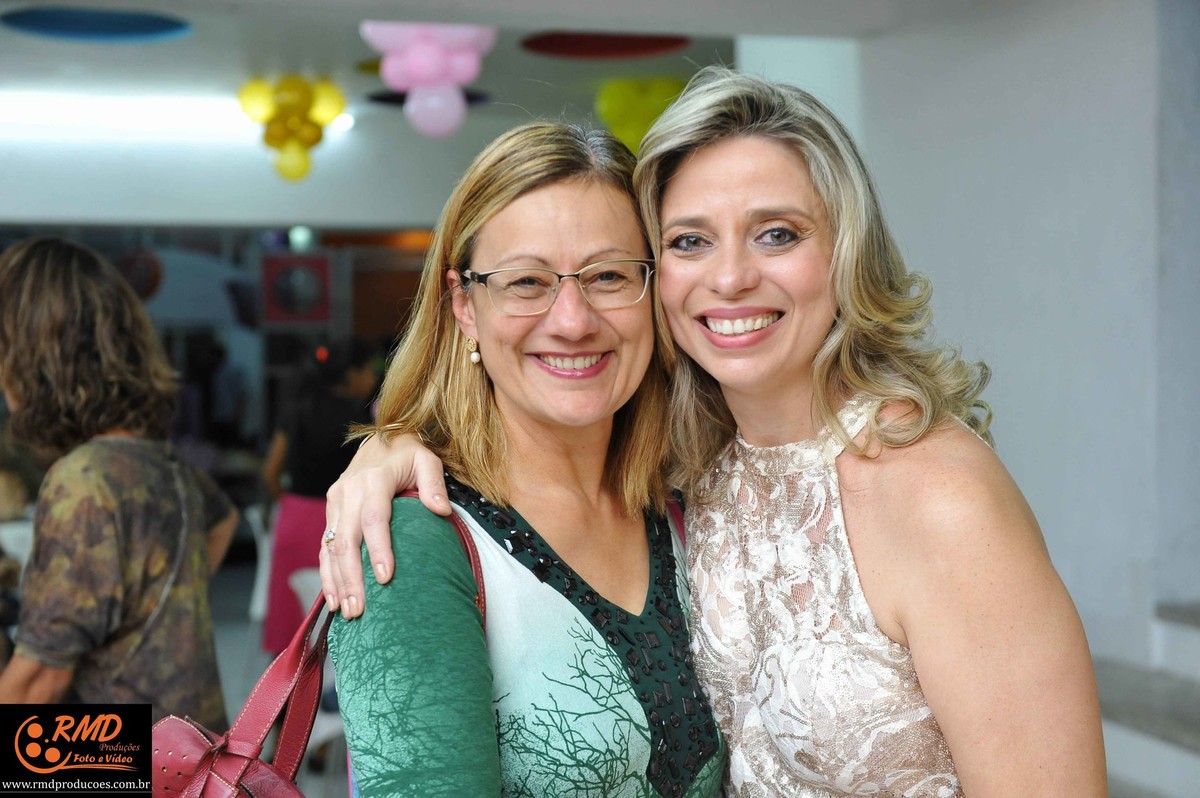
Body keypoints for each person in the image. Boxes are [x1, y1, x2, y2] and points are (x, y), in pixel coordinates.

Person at [321, 66, 1107, 795]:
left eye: (778, 233)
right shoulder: (697, 470)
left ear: (846, 251)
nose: (730, 278)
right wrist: (389, 446)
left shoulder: (935, 497)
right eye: (691, 241)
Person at [324, 121, 725, 797]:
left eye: (608, 276)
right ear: (464, 305)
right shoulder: (414, 541)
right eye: (526, 282)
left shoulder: (688, 503)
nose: (573, 320)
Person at [0, 237, 237, 730]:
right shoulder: (154, 459)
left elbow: (41, 679)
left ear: (30, 356)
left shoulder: (84, 480)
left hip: (122, 751)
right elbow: (223, 520)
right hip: (192, 746)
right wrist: (154, 614)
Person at [259, 337, 377, 654]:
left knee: (291, 622)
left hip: (295, 517)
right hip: (341, 520)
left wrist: (289, 503)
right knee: (339, 614)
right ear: (350, 374)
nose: (372, 378)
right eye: (368, 371)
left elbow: (270, 473)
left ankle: (287, 681)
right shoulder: (360, 418)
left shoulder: (298, 409)